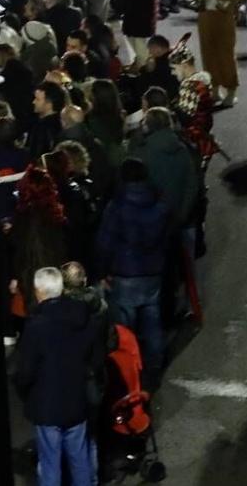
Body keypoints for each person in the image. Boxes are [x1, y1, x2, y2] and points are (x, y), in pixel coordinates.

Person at [15, 267, 102, 486]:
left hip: (47, 405)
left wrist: (24, 391)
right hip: (76, 399)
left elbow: (25, 371)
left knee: (50, 464)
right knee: (80, 461)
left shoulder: (36, 326)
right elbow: (95, 357)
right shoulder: (83, 318)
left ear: (38, 292)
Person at [94, 158, 170, 384]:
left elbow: (105, 244)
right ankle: (155, 364)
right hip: (153, 273)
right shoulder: (159, 205)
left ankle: (129, 371)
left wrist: (101, 272)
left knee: (126, 327)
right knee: (153, 319)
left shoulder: (117, 207)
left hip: (125, 274)